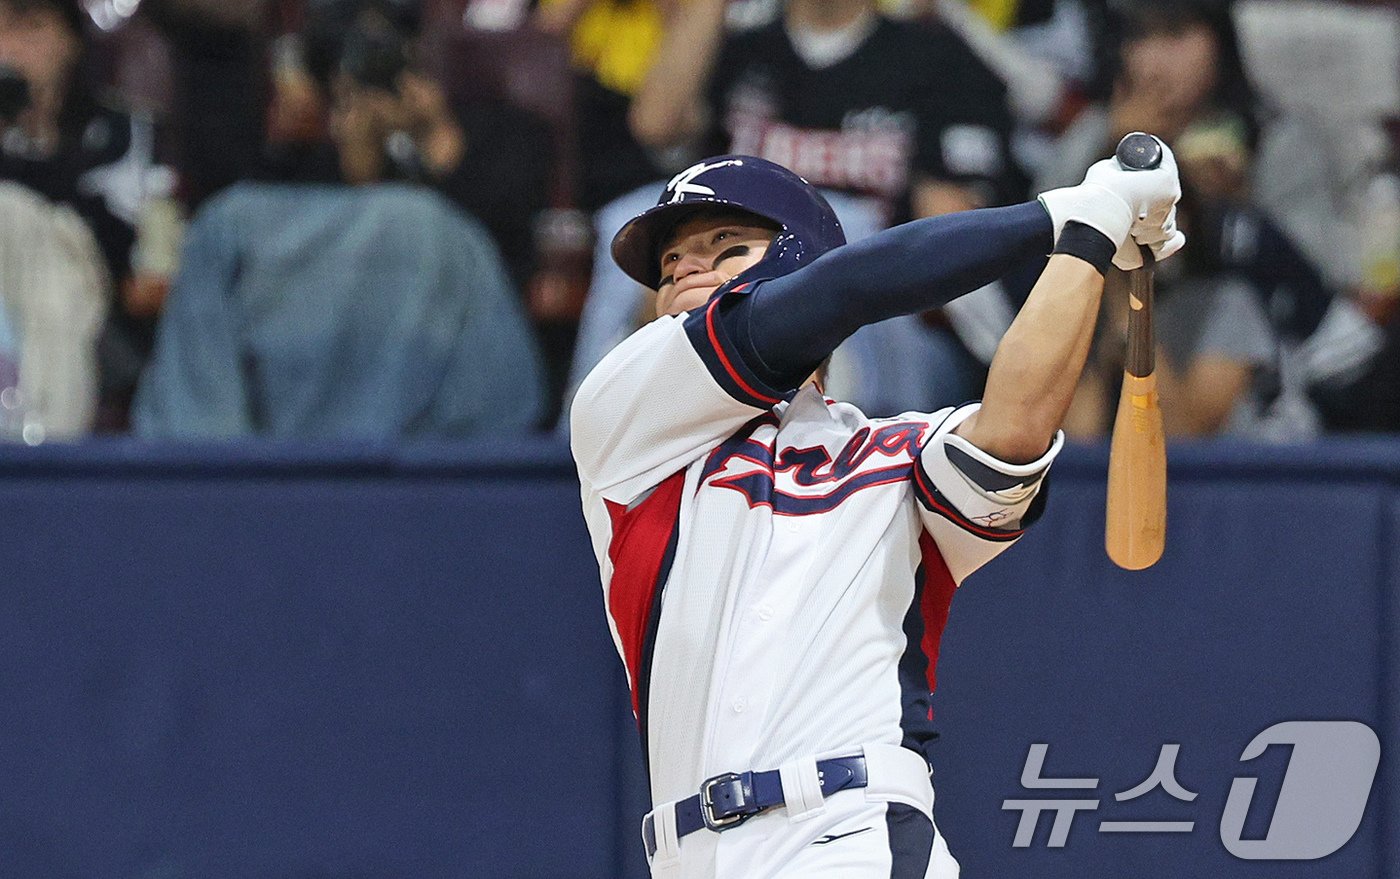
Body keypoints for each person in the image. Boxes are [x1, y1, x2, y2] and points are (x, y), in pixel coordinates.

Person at [569, 145, 1181, 876]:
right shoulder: (623, 414)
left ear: (801, 259)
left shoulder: (894, 450)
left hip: (851, 831)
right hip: (688, 854)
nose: (685, 272)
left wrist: (1090, 236)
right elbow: (843, 291)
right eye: (671, 265)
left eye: (725, 246)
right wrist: (1065, 213)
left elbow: (1015, 425)